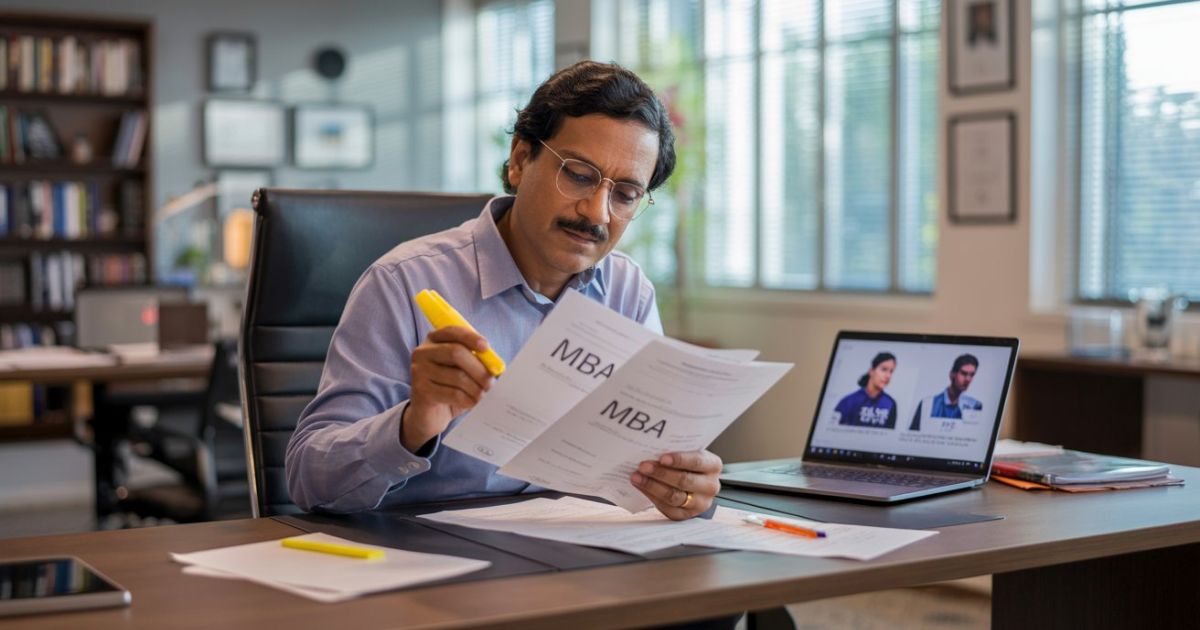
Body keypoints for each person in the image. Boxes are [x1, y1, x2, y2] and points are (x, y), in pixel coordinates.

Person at [284, 60, 722, 523]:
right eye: (577, 174)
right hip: (431, 562)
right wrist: (413, 424)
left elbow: (655, 456)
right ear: (519, 160)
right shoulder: (404, 282)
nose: (596, 212)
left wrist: (683, 486)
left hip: (579, 556)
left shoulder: (628, 292)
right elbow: (308, 480)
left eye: (626, 194)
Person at [909, 354, 982, 431]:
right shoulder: (927, 404)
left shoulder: (975, 406)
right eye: (964, 373)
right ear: (952, 374)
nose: (968, 379)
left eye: (972, 375)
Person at [832, 352, 898, 429]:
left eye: (891, 371)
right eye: (884, 369)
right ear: (871, 371)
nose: (888, 376)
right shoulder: (848, 401)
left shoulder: (890, 403)